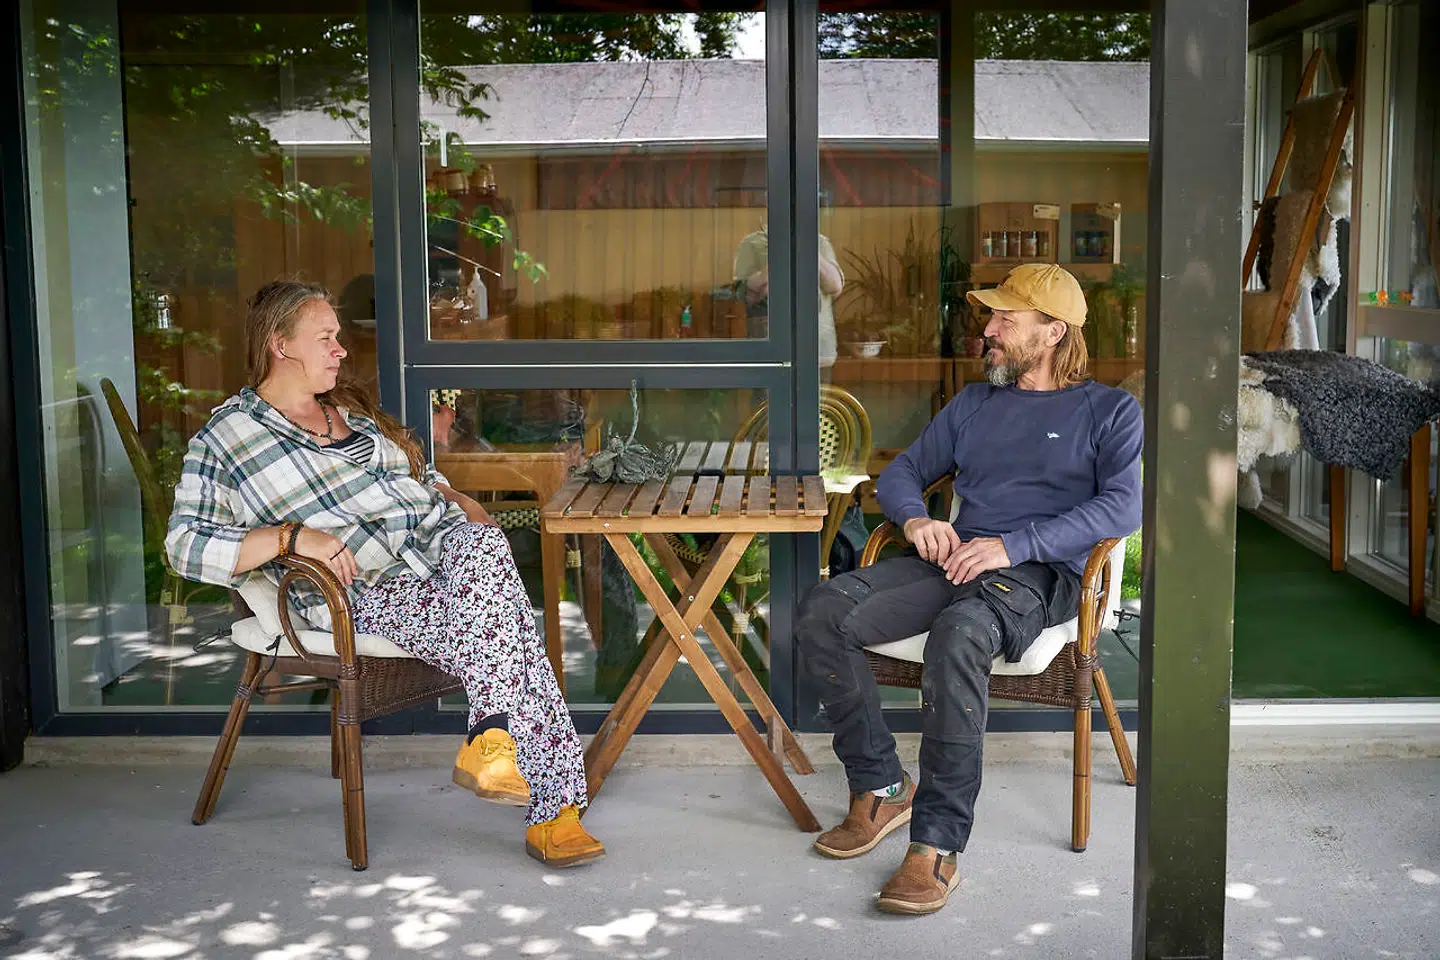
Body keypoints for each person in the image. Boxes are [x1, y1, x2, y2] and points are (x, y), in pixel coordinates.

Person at [166, 280, 603, 868]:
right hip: (357, 588)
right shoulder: (228, 440)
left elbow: (411, 481)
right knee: (511, 634)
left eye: (338, 337)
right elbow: (185, 547)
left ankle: (493, 738)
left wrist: (453, 498)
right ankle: (549, 806)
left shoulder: (346, 415)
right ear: (280, 344)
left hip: (434, 555)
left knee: (484, 550)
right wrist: (294, 537)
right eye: (326, 338)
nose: (341, 349)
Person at [795, 263, 1142, 915]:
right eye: (992, 318)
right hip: (955, 559)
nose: (988, 330)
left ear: (1053, 332)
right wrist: (919, 519)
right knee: (824, 611)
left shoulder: (1110, 412)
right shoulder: (975, 404)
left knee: (960, 635)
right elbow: (904, 472)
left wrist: (1015, 546)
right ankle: (882, 784)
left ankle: (935, 846)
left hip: (1038, 575)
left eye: (1006, 320)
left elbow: (1122, 509)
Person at [733, 224, 844, 372]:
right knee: (765, 396)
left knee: (821, 396)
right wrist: (772, 267)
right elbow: (743, 296)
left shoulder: (820, 242)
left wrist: (809, 248)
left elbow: (835, 286)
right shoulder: (752, 243)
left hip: (817, 352)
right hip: (770, 353)